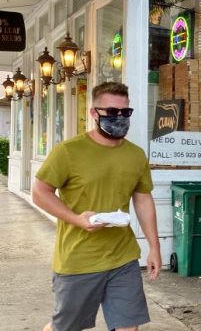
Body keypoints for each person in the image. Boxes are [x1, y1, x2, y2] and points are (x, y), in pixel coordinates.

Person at [32, 82, 160, 331]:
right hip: (79, 258)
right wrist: (77, 219)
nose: (119, 118)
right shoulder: (68, 151)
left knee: (128, 326)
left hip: (123, 257)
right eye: (111, 112)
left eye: (125, 112)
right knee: (65, 327)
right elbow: (39, 192)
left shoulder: (135, 155)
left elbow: (143, 199)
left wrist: (154, 247)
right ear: (94, 113)